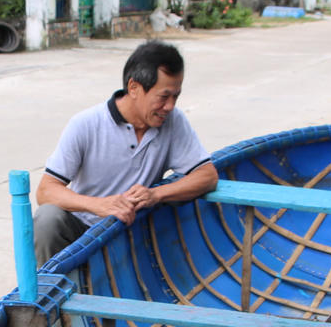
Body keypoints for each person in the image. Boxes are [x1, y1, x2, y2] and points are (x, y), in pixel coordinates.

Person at [34, 40, 218, 264]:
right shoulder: (86, 123)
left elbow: (207, 176)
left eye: (175, 97)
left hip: (131, 232)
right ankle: (48, 293)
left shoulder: (173, 121)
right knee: (47, 218)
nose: (170, 106)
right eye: (163, 96)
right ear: (134, 88)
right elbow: (46, 191)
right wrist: (99, 205)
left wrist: (156, 194)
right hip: (82, 231)